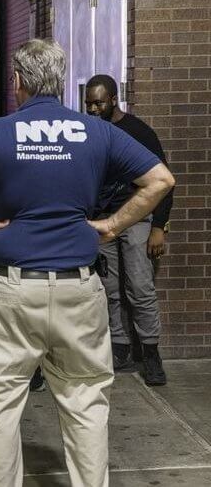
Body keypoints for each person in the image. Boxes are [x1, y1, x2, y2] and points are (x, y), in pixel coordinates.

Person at [0, 39, 174, 487]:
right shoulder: (96, 131)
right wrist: (115, 224)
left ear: (17, 81)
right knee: (85, 404)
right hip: (79, 287)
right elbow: (160, 180)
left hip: (11, 289)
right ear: (61, 83)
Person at [85, 74, 174, 386]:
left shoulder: (138, 131)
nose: (93, 109)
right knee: (107, 289)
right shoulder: (89, 131)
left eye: (98, 103)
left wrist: (159, 227)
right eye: (88, 104)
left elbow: (164, 183)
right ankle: (119, 347)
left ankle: (151, 354)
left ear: (113, 99)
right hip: (102, 220)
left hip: (135, 218)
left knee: (139, 287)